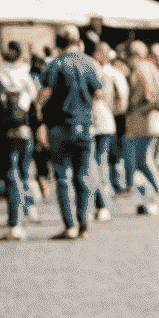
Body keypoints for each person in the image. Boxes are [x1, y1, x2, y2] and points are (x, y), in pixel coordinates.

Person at [37, 25, 105, 241]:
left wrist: (40, 119)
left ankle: (70, 226)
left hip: (59, 127)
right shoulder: (90, 64)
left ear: (58, 43)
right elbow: (100, 93)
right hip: (84, 125)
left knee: (63, 177)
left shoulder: (55, 65)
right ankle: (84, 224)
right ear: (78, 41)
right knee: (84, 175)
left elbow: (44, 95)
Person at [0, 42, 39, 240]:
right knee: (24, 171)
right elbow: (34, 98)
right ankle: (29, 208)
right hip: (25, 129)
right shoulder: (27, 73)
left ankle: (14, 222)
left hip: (5, 130)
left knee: (11, 175)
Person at [122, 40, 159, 214]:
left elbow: (150, 94)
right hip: (150, 122)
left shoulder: (142, 67)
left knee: (142, 161)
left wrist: (133, 108)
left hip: (146, 122)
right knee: (143, 161)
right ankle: (148, 198)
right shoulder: (149, 66)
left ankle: (156, 189)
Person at [90, 42, 125, 222]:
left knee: (98, 165)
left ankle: (103, 204)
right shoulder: (110, 73)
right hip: (106, 121)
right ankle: (101, 204)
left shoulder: (99, 72)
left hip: (98, 123)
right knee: (99, 164)